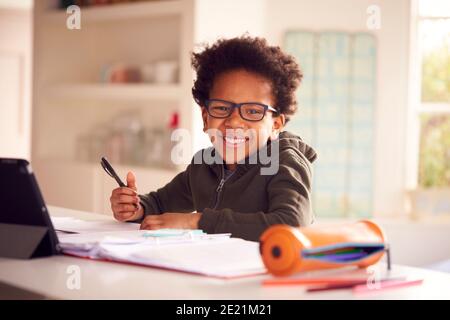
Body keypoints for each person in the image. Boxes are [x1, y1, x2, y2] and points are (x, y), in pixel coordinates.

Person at [109, 35, 317, 241]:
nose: (234, 122)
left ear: (276, 125)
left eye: (253, 111)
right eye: (222, 108)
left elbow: (292, 224)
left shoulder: (285, 163)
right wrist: (135, 207)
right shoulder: (204, 165)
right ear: (206, 118)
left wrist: (197, 222)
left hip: (269, 271)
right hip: (217, 268)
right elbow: (159, 203)